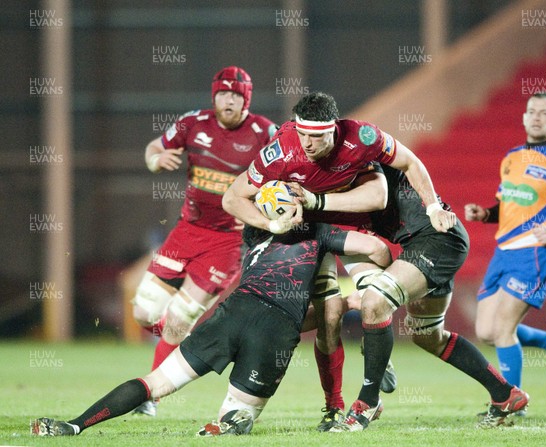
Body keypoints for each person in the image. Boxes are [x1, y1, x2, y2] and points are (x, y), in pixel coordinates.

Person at [30, 202, 392, 437]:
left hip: (232, 313)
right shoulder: (318, 232)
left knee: (156, 383)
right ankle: (229, 424)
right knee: (238, 419)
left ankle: (75, 425)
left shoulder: (251, 235)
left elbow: (241, 205)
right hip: (275, 331)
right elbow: (376, 249)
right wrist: (363, 288)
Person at [222, 91, 456, 429]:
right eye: (303, 134)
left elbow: (402, 170)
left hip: (336, 224)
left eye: (317, 136)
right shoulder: (280, 150)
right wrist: (271, 223)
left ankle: (374, 356)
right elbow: (233, 197)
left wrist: (433, 205)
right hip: (299, 235)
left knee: (373, 277)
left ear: (335, 128)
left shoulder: (362, 138)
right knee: (324, 318)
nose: (308, 144)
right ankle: (333, 404)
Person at [324, 163, 529, 431]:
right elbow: (371, 249)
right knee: (427, 335)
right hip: (423, 246)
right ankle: (505, 395)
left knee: (375, 302)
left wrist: (370, 297)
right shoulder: (336, 193)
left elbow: (408, 161)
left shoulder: (361, 159)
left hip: (437, 240)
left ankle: (367, 401)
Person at [131, 66, 277, 416]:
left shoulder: (264, 132)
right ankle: (177, 335)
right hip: (186, 232)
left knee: (181, 316)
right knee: (143, 312)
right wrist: (155, 160)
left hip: (228, 242)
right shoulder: (192, 123)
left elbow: (286, 168)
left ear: (247, 99)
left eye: (237, 95)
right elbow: (154, 147)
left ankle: (150, 396)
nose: (229, 100)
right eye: (223, 93)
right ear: (214, 96)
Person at [464, 93, 546, 395]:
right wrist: (485, 213)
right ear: (524, 117)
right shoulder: (512, 157)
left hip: (536, 254)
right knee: (485, 331)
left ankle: (511, 402)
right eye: (532, 111)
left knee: (503, 329)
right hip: (504, 252)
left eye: (545, 113)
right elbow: (508, 206)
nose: (537, 117)